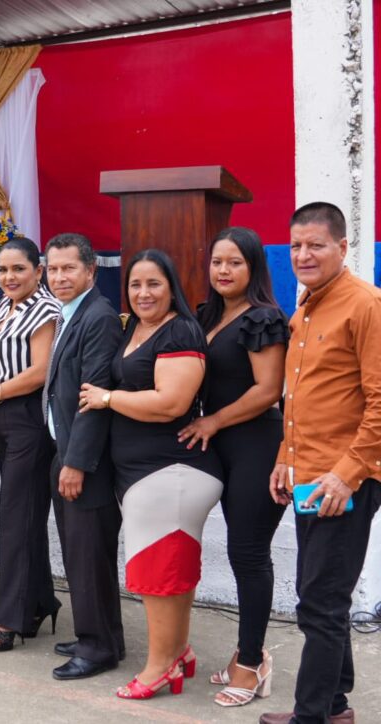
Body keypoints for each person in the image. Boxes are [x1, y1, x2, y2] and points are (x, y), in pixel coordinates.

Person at [79, 248, 222, 700]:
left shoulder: (179, 330)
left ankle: (158, 667)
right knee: (172, 572)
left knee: (156, 577)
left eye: (154, 284)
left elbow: (170, 403)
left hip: (169, 473)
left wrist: (107, 399)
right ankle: (177, 653)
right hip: (149, 475)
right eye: (135, 284)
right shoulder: (135, 328)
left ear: (172, 287)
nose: (144, 293)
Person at [260, 203, 381, 724]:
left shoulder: (366, 305)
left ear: (342, 247)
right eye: (296, 246)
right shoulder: (306, 308)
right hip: (309, 476)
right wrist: (284, 459)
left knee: (320, 601)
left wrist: (346, 474)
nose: (303, 255)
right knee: (320, 594)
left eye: (316, 245)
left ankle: (310, 716)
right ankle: (333, 707)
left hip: (344, 481)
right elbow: (301, 397)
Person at [178, 227, 287, 707]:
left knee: (248, 554)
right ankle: (246, 651)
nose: (223, 270)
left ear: (253, 267)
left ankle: (252, 662)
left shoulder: (263, 318)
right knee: (237, 553)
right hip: (218, 445)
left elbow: (269, 390)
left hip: (255, 444)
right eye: (217, 261)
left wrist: (214, 421)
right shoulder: (207, 315)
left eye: (235, 262)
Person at [43, 234, 125, 679]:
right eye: (53, 269)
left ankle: (97, 648)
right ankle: (102, 635)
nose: (59, 277)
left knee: (89, 554)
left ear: (91, 270)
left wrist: (75, 463)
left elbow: (94, 398)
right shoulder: (70, 312)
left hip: (84, 460)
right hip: (66, 450)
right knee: (80, 552)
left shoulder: (99, 317)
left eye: (68, 268)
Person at [0, 237, 60, 651]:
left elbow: (42, 370)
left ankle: (10, 619)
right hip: (0, 419)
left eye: (18, 269)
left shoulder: (45, 309)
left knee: (15, 517)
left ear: (38, 271)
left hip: (28, 417)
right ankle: (39, 601)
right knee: (23, 515)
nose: (8, 277)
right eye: (2, 270)